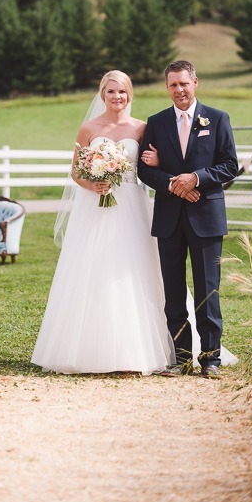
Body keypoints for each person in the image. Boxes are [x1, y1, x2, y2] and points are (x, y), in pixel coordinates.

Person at [31, 70, 176, 375]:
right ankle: (87, 350)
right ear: (102, 95)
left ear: (130, 95)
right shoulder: (88, 128)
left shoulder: (141, 128)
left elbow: (151, 165)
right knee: (90, 269)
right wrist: (93, 185)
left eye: (122, 92)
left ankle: (134, 351)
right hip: (94, 207)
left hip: (130, 206)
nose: (117, 97)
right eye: (111, 92)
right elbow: (75, 171)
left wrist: (157, 163)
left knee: (131, 269)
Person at [138, 60, 238, 378]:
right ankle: (180, 359)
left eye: (184, 83)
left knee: (208, 289)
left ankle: (210, 360)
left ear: (196, 82)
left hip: (206, 217)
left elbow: (229, 165)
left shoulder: (218, 119)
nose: (179, 90)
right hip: (169, 218)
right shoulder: (156, 123)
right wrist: (174, 184)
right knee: (174, 291)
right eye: (173, 85)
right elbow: (144, 169)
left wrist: (195, 178)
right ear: (166, 87)